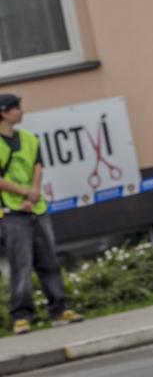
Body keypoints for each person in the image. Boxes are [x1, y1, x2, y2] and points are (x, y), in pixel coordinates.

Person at [0, 94, 83, 335]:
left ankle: (59, 310)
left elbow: (38, 165)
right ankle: (21, 317)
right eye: (16, 108)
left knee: (49, 262)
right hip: (12, 213)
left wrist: (34, 193)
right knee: (21, 265)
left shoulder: (28, 138)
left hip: (37, 208)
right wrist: (24, 193)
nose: (21, 111)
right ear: (3, 112)